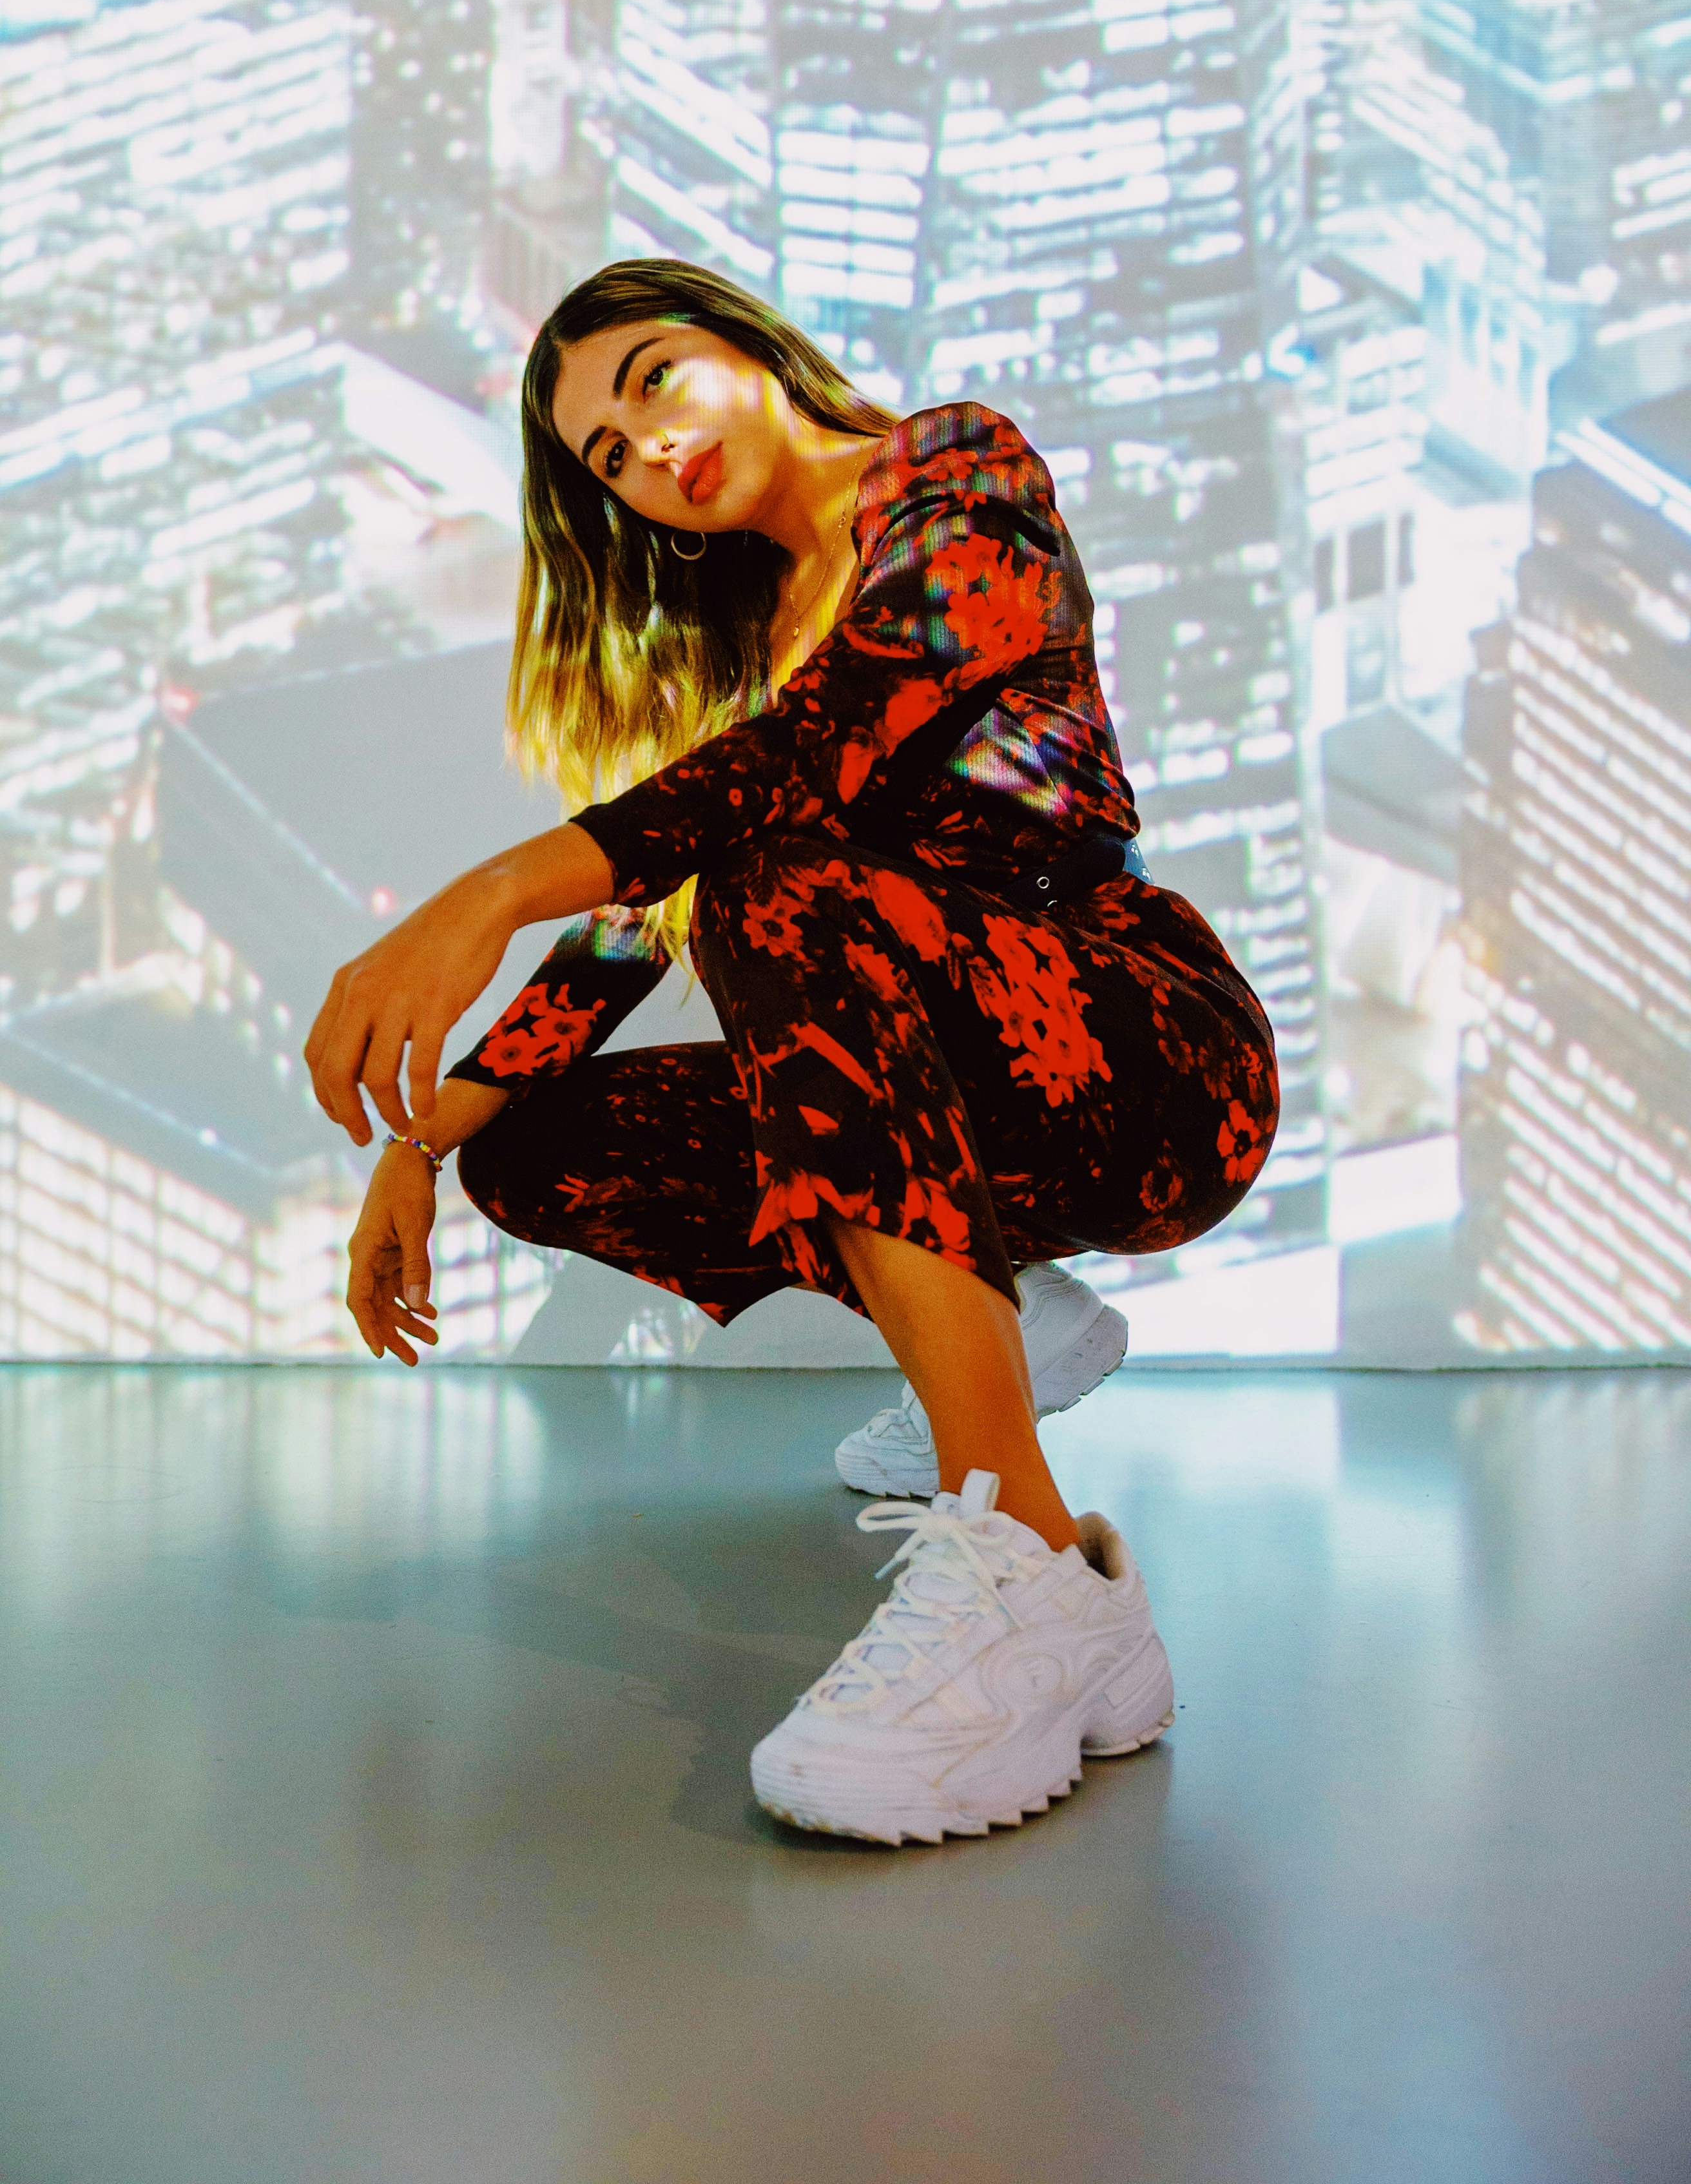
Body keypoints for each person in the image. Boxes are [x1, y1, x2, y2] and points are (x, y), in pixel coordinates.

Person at [304, 258, 1279, 1846]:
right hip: (955, 1086)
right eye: (607, 458)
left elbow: (807, 763)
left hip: (1144, 1043)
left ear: (748, 347)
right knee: (535, 1148)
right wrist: (417, 1147)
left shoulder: (954, 470)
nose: (652, 450)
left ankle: (1021, 1561)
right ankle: (1009, 1327)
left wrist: (484, 893)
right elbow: (634, 936)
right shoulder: (738, 646)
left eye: (655, 383)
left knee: (769, 861)